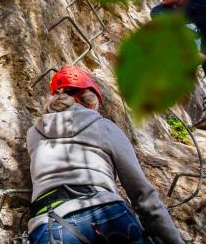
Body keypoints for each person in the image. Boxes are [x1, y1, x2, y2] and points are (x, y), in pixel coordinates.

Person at [27, 67, 184, 244]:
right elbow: (142, 196)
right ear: (91, 103)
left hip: (47, 227)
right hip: (105, 215)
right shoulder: (104, 126)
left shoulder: (33, 134)